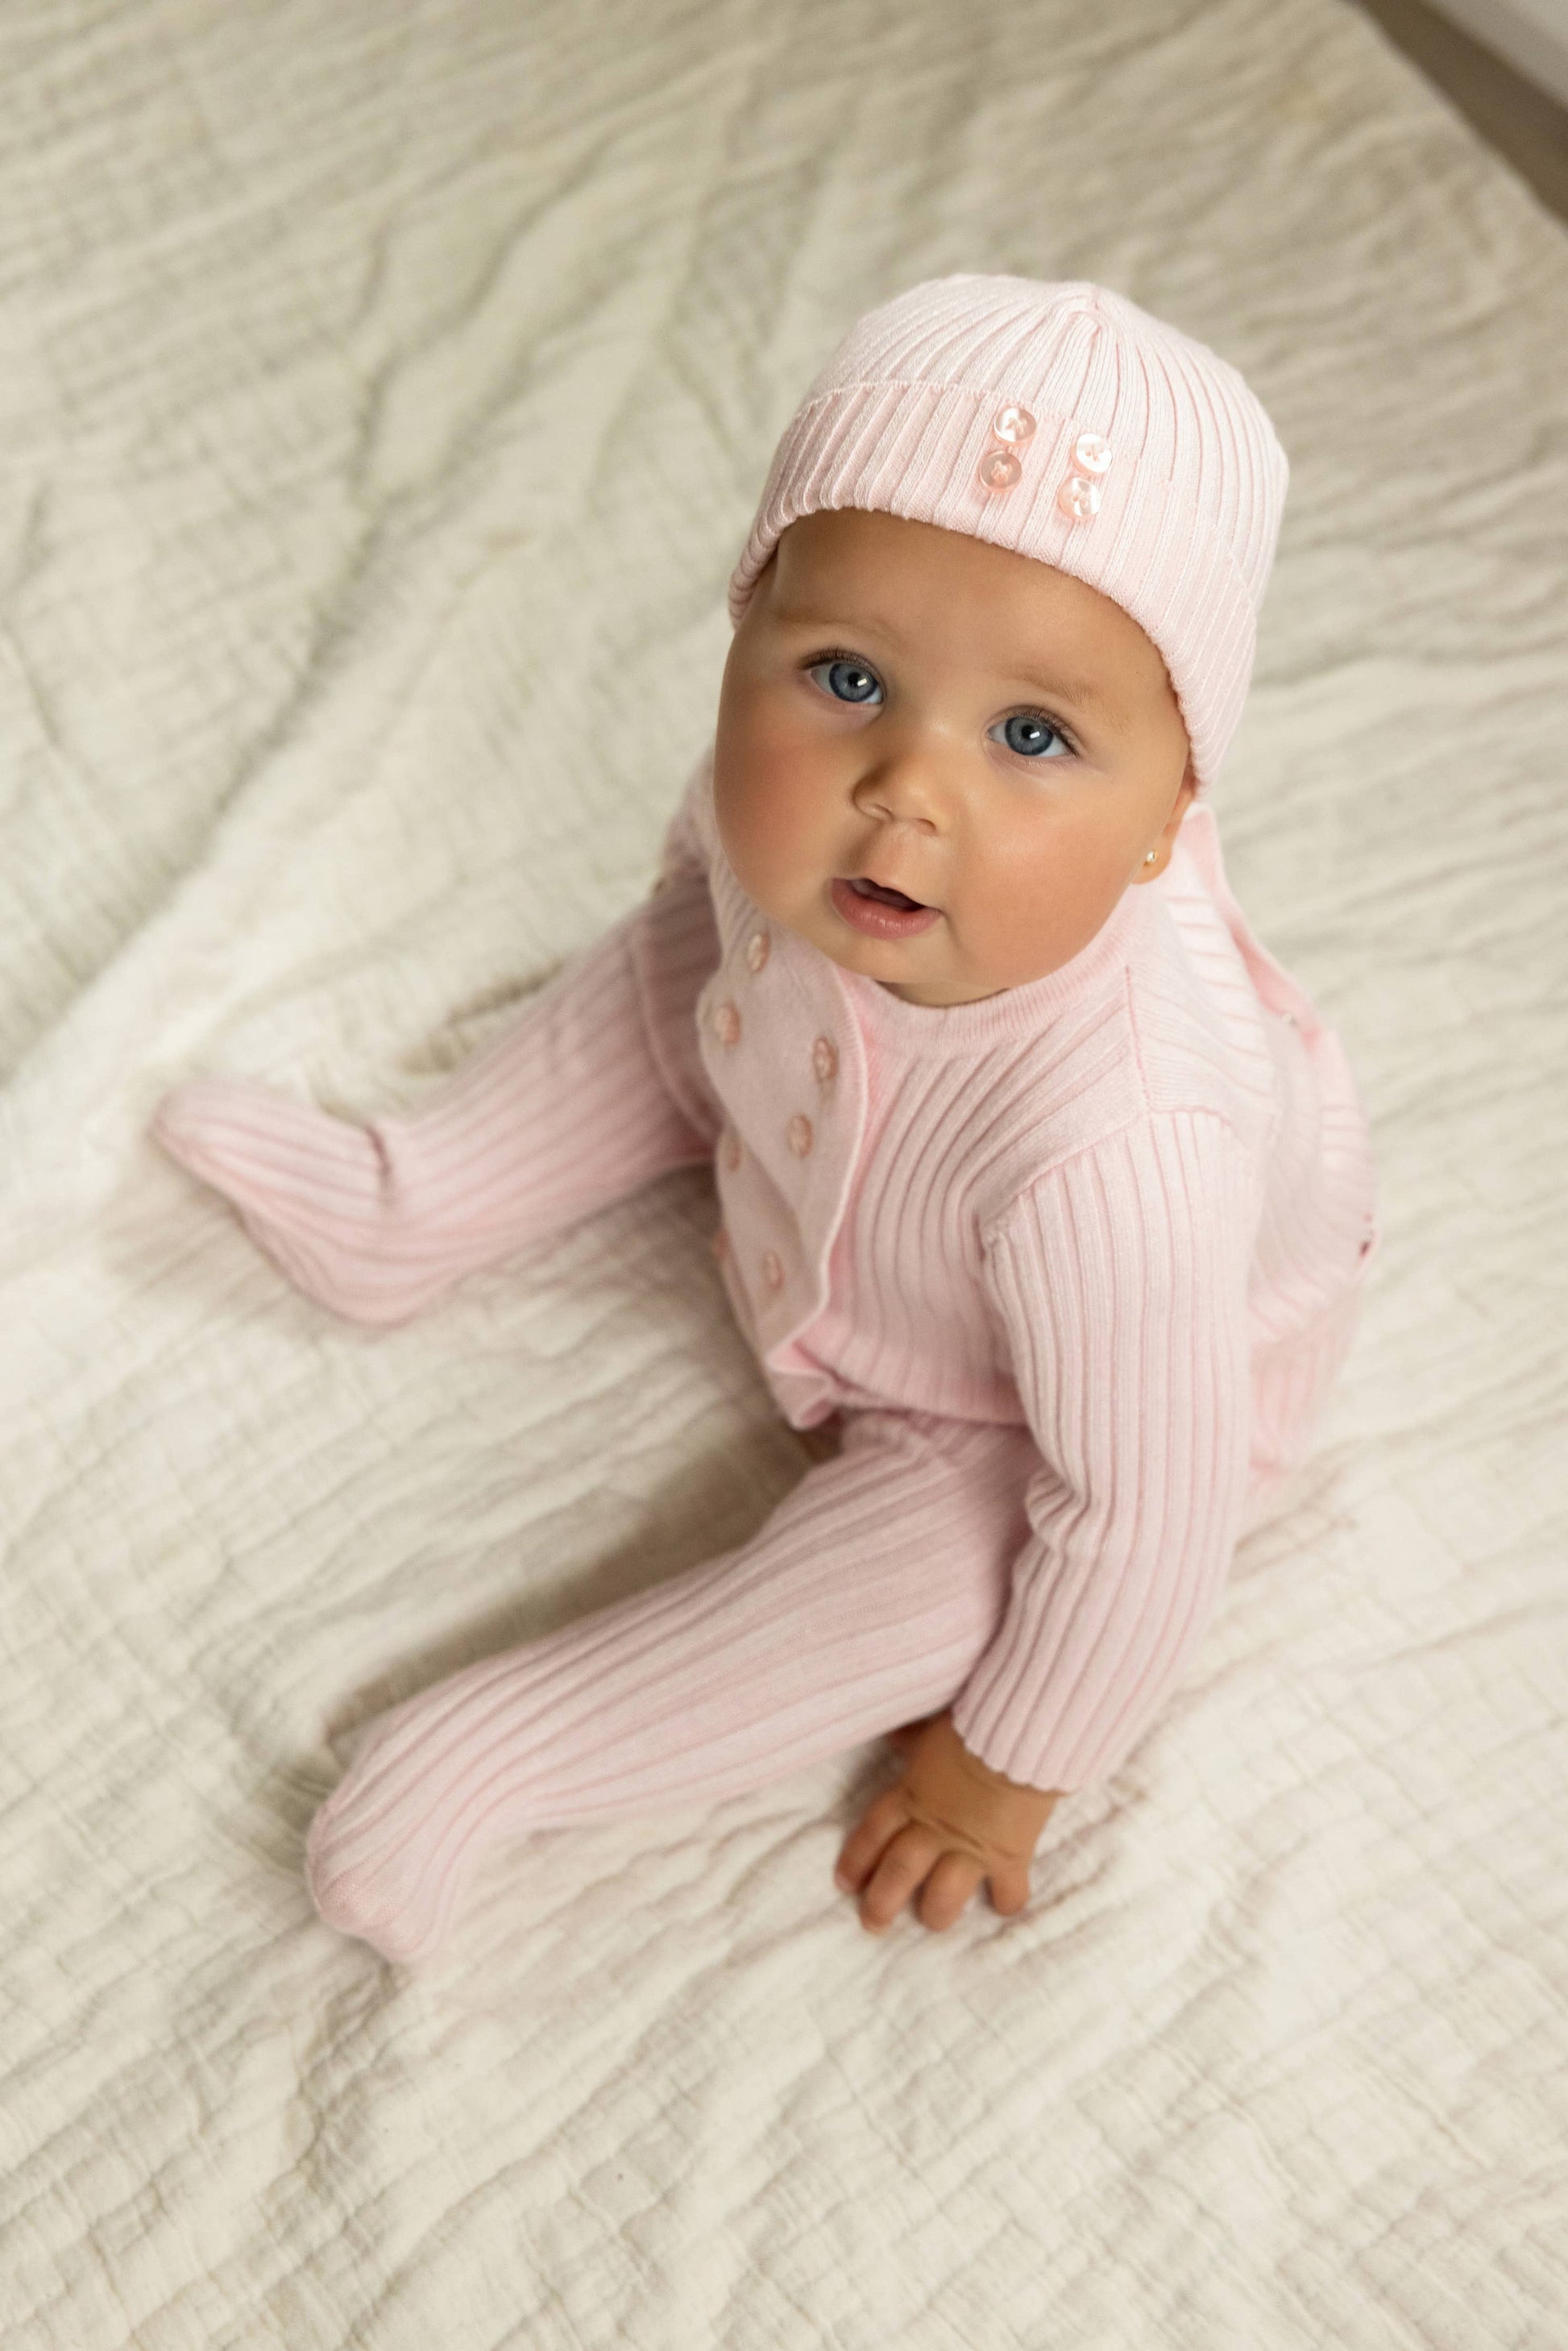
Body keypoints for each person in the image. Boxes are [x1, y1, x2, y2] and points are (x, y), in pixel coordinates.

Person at [151, 275, 1379, 1965]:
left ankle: (500, 1754)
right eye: (845, 676)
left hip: (1019, 1403)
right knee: (681, 960)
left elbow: (1142, 1521)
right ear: (743, 638)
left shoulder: (1123, 1153)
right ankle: (410, 1198)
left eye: (1031, 734)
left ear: (1169, 812)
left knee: (949, 1575)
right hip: (816, 1133)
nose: (906, 788)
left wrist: (1004, 1770)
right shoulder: (789, 828)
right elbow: (685, 933)